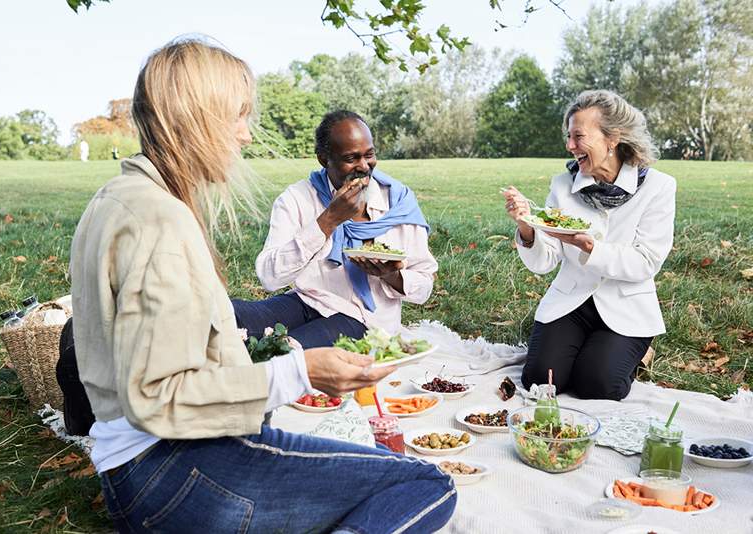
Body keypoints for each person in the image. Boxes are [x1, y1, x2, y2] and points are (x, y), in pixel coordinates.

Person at [69, 38, 456, 533]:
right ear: (197, 117)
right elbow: (160, 397)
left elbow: (422, 279)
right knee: (427, 486)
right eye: (238, 116)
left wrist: (392, 275)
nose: (246, 136)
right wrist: (298, 372)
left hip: (139, 467)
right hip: (170, 473)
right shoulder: (161, 221)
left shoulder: (119, 196)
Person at [502, 89, 676, 401]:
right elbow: (545, 261)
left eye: (578, 136)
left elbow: (646, 262)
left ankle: (639, 353)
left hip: (626, 305)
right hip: (571, 300)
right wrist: (526, 227)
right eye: (568, 137)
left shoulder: (659, 187)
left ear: (613, 138)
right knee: (540, 382)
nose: (569, 146)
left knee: (598, 385)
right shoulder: (563, 185)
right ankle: (582, 349)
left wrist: (590, 248)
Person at [233, 110, 438, 348]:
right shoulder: (297, 198)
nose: (364, 166)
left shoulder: (398, 202)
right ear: (324, 159)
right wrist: (328, 220)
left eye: (369, 155)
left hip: (363, 320)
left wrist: (391, 276)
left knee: (287, 351)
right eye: (351, 158)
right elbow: (270, 277)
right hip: (308, 301)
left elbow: (425, 284)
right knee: (227, 315)